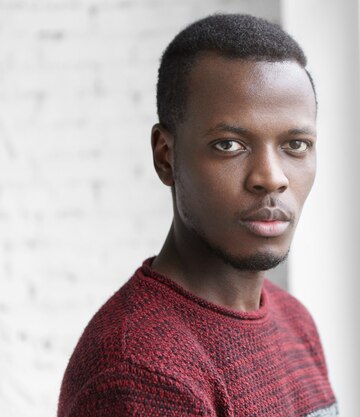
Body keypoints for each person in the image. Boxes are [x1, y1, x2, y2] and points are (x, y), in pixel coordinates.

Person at [58, 13, 337, 417]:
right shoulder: (139, 371)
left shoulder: (296, 323)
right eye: (229, 145)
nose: (271, 179)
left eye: (295, 144)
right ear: (165, 156)